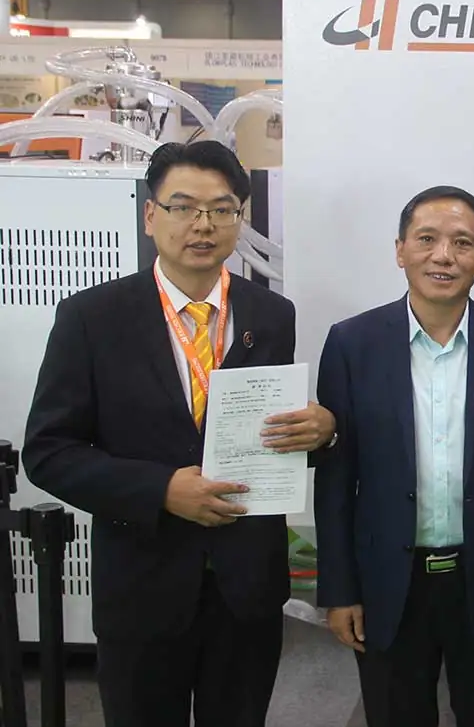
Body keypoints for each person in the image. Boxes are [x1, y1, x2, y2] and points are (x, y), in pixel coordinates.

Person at [22, 140, 337, 727]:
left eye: (221, 209)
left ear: (239, 218)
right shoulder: (92, 318)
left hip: (246, 587)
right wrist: (161, 490)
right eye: (184, 207)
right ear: (150, 215)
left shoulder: (272, 315)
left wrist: (319, 433)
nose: (203, 224)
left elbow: (269, 437)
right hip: (142, 586)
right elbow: (49, 452)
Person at [313, 185, 474, 727]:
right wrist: (339, 589)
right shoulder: (352, 344)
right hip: (387, 585)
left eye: (462, 243)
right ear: (400, 250)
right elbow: (336, 478)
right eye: (426, 239)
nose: (443, 256)